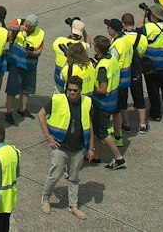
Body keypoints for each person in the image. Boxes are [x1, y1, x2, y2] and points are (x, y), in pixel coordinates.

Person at [39, 76, 93, 217]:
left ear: (80, 90)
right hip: (60, 146)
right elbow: (41, 114)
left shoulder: (87, 102)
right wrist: (48, 137)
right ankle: (45, 198)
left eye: (75, 90)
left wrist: (91, 147)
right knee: (55, 175)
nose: (72, 93)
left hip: (78, 148)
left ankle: (73, 206)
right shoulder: (58, 99)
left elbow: (90, 123)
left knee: (74, 177)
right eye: (69, 90)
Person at [84, 33, 127, 169]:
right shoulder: (111, 59)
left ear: (97, 49)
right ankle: (96, 157)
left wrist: (91, 89)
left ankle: (118, 158)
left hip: (103, 103)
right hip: (112, 100)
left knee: (102, 132)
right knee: (97, 130)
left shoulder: (102, 66)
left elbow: (102, 89)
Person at [135, 2, 163, 125]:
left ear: (154, 17)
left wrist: (142, 16)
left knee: (153, 89)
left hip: (151, 65)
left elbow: (138, 31)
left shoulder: (149, 27)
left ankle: (155, 113)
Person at [2, 14, 43, 124]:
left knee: (26, 90)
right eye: (26, 25)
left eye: (29, 27)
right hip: (16, 65)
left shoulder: (40, 33)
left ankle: (22, 110)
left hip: (30, 66)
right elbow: (6, 26)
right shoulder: (19, 23)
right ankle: (8, 112)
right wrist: (18, 28)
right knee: (11, 90)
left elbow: (39, 51)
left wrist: (31, 52)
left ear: (34, 27)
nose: (27, 28)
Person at [50, 19, 88, 93]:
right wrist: (83, 31)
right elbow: (88, 42)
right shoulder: (82, 46)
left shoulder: (59, 41)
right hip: (73, 86)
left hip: (59, 81)